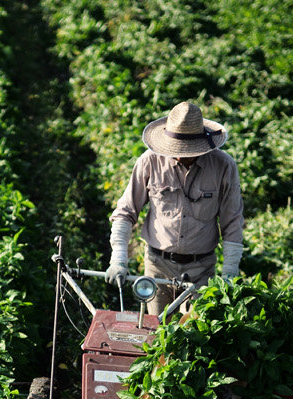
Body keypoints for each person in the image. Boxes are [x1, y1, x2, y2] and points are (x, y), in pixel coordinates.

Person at [104, 101, 243, 315]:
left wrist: (230, 273)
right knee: (157, 331)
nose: (181, 155)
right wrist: (119, 258)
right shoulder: (150, 161)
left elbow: (232, 221)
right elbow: (126, 211)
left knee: (195, 332)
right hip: (158, 266)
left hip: (201, 270)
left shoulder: (223, 166)